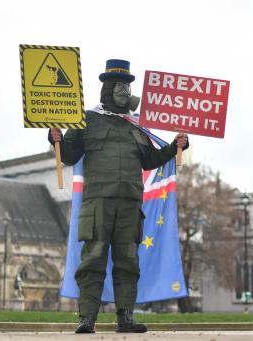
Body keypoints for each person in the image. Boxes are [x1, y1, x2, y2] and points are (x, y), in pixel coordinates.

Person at [49, 59, 188, 334]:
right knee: (93, 260)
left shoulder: (136, 125)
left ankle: (125, 317)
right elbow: (69, 155)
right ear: (108, 88)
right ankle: (87, 318)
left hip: (129, 204)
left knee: (128, 261)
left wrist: (175, 147)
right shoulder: (86, 120)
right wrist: (55, 139)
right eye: (121, 86)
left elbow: (150, 159)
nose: (125, 91)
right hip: (98, 203)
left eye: (128, 86)